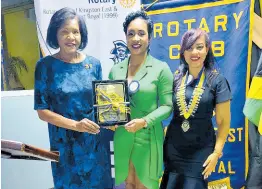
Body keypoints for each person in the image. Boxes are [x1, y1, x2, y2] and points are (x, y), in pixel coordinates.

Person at [34, 7, 112, 189]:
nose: (71, 37)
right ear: (55, 34)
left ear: (82, 34)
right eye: (65, 32)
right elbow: (42, 111)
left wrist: (116, 113)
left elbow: (100, 103)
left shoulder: (94, 64)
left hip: (94, 145)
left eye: (75, 32)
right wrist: (76, 125)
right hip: (64, 147)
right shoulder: (45, 66)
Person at [108, 11, 173, 189]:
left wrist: (144, 121)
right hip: (122, 137)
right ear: (126, 37)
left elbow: (168, 106)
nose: (136, 38)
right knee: (126, 184)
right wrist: (109, 119)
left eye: (141, 33)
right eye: (131, 34)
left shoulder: (161, 68)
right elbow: (111, 104)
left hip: (148, 138)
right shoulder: (115, 70)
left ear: (149, 38)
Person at [160, 28, 231, 189]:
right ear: (183, 53)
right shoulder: (175, 78)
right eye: (189, 48)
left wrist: (216, 153)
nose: (194, 52)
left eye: (199, 47)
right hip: (173, 149)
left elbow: (224, 123)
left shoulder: (217, 81)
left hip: (201, 150)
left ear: (207, 49)